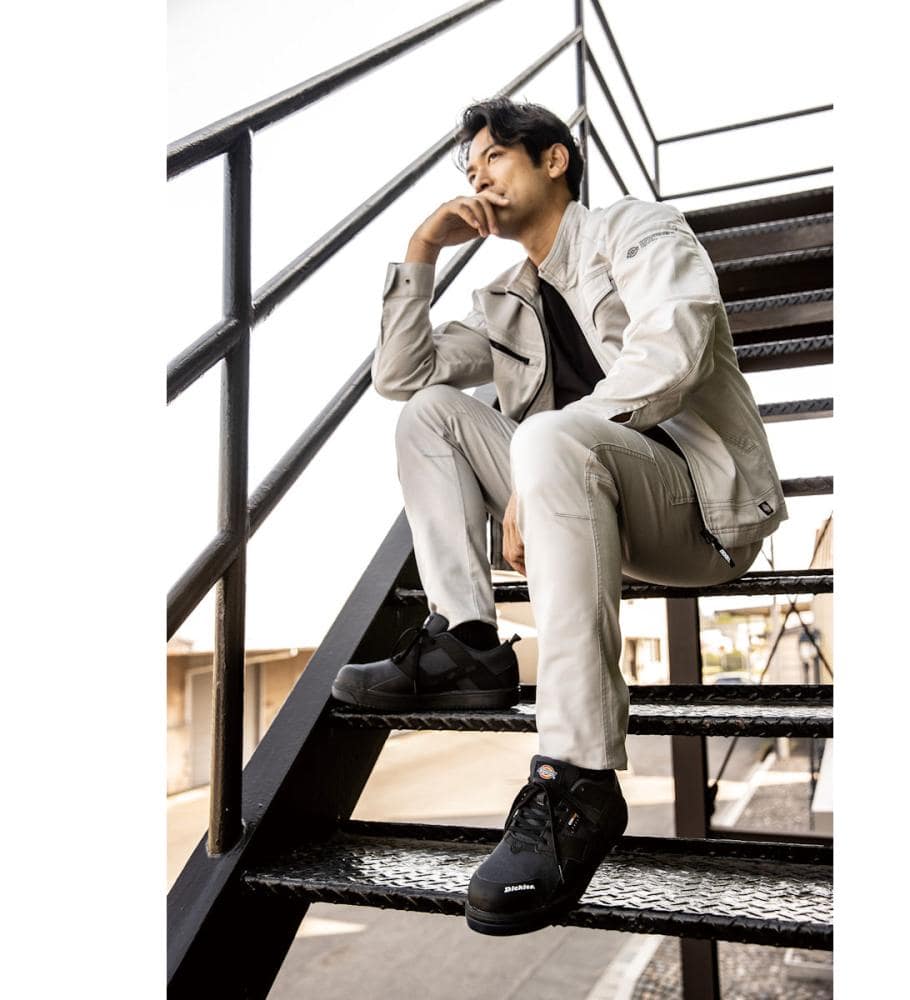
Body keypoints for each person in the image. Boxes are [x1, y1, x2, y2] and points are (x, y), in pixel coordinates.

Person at [332, 97, 786, 936]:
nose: (480, 179)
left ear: (554, 160)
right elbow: (402, 376)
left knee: (546, 436)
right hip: (578, 501)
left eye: (495, 158)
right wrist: (422, 249)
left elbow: (674, 346)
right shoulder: (506, 300)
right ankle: (468, 642)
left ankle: (578, 779)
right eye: (470, 170)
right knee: (429, 415)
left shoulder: (635, 230)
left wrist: (544, 455)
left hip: (697, 512)